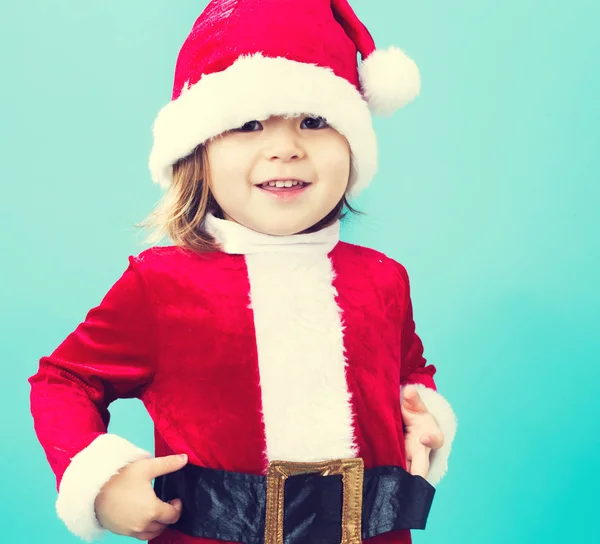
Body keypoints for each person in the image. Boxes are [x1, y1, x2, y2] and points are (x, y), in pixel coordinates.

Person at [28, 1, 458, 543]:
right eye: (249, 124)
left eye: (314, 121)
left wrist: (424, 419)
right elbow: (63, 381)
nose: (285, 148)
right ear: (197, 152)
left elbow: (409, 374)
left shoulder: (384, 279)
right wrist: (102, 481)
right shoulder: (161, 284)